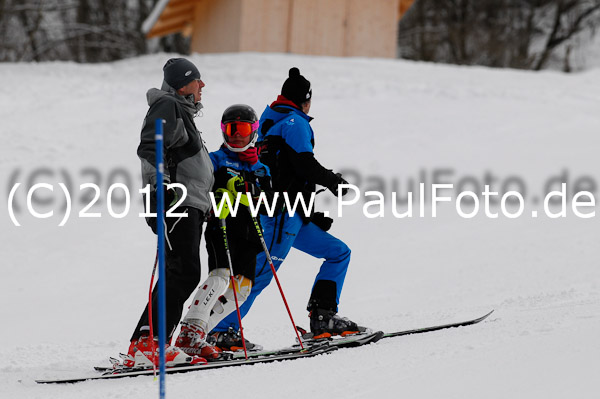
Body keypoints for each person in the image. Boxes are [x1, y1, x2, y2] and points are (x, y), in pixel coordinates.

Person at [210, 67, 361, 345]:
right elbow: (304, 164)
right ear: (306, 99)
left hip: (293, 214)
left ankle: (323, 315)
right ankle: (221, 330)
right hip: (280, 215)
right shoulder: (295, 122)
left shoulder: (271, 120)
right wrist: (334, 182)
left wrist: (309, 211)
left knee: (338, 252)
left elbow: (285, 170)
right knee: (258, 274)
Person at [124, 58, 215, 368]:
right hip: (175, 204)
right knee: (183, 271)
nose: (202, 85)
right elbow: (151, 148)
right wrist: (159, 188)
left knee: (180, 271)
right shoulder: (168, 107)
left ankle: (145, 344)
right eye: (197, 80)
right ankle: (150, 344)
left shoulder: (181, 112)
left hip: (189, 205)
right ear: (182, 84)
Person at [174, 104, 271, 354]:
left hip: (250, 230)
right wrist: (222, 189)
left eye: (242, 129)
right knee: (220, 278)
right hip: (224, 224)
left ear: (254, 131)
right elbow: (203, 186)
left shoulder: (262, 167)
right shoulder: (215, 159)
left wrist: (253, 190)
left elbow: (269, 200)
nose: (236, 135)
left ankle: (200, 333)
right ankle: (189, 332)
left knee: (242, 289)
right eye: (230, 129)